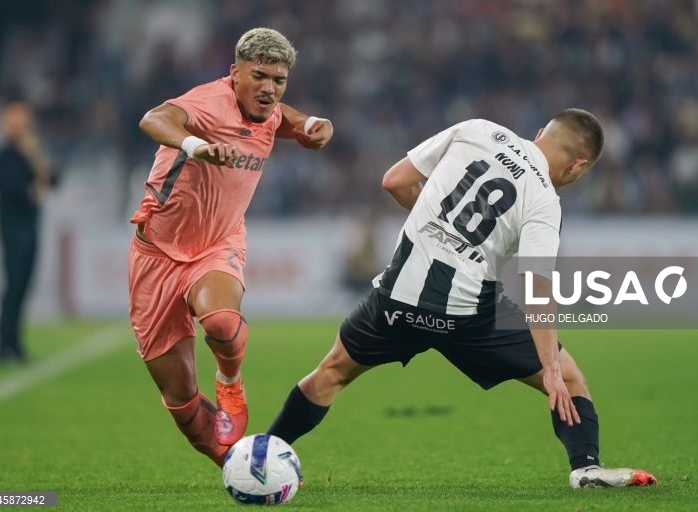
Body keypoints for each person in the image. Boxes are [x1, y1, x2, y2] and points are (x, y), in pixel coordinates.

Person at [267, 109, 658, 488]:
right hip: (469, 316)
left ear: (540, 132)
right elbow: (537, 286)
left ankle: (264, 455)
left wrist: (433, 224)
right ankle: (586, 468)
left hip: (397, 299)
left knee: (330, 373)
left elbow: (394, 182)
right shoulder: (543, 198)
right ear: (577, 166)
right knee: (570, 378)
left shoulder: (478, 130)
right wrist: (550, 367)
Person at [128, 27, 333, 466]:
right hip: (155, 255)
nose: (269, 89)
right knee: (181, 401)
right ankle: (242, 470)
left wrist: (313, 124)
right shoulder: (207, 103)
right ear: (234, 73)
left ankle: (230, 381)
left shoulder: (267, 109)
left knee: (221, 322)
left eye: (279, 81)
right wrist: (194, 144)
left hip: (216, 245)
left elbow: (286, 118)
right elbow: (151, 119)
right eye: (259, 76)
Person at [0, 100, 55, 364]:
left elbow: (53, 178)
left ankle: (15, 344)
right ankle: (4, 345)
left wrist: (38, 160)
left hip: (30, 226)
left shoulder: (30, 153)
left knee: (24, 285)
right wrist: (34, 185)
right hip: (12, 228)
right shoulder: (1, 156)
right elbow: (14, 189)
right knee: (13, 284)